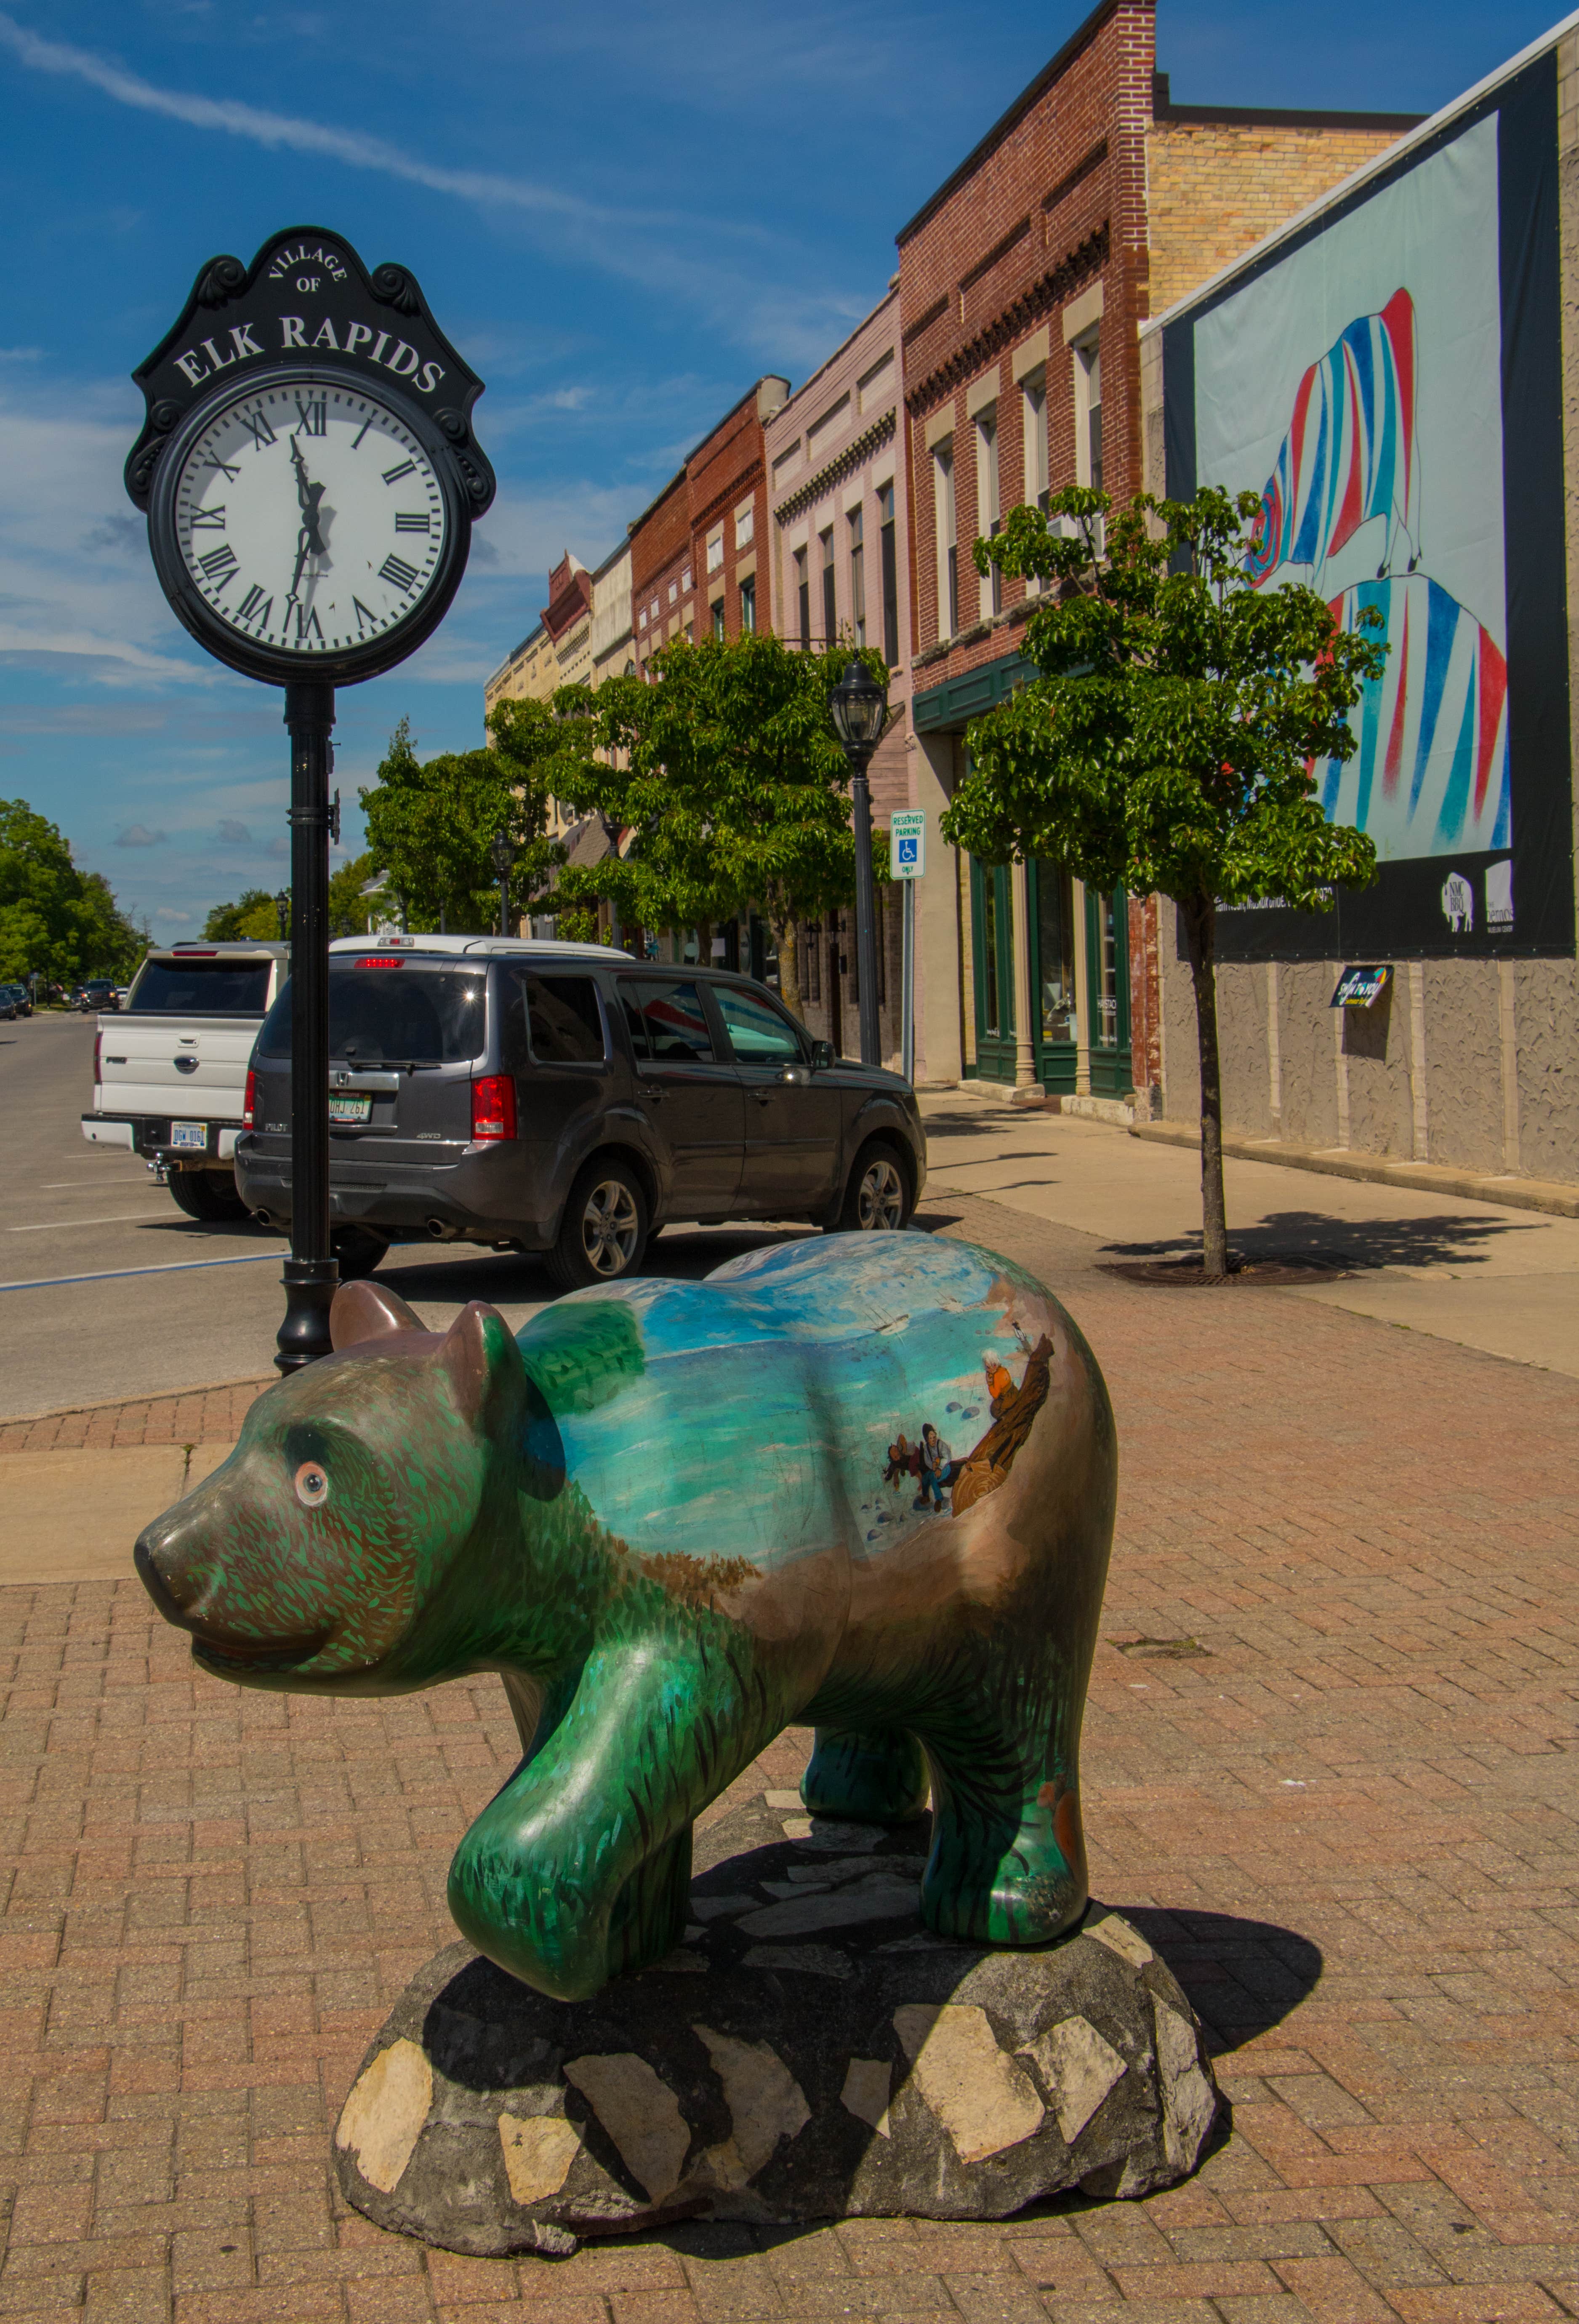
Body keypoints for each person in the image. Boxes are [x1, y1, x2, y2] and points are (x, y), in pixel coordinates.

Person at [915, 1423, 957, 1511]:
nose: (933, 1440)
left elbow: (948, 1457)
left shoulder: (940, 1444)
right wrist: (933, 1466)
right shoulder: (926, 1448)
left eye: (934, 1437)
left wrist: (940, 1467)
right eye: (931, 1438)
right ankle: (926, 1496)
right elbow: (927, 1461)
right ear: (927, 1439)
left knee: (932, 1477)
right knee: (926, 1478)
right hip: (934, 1469)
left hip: (945, 1468)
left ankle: (939, 1499)